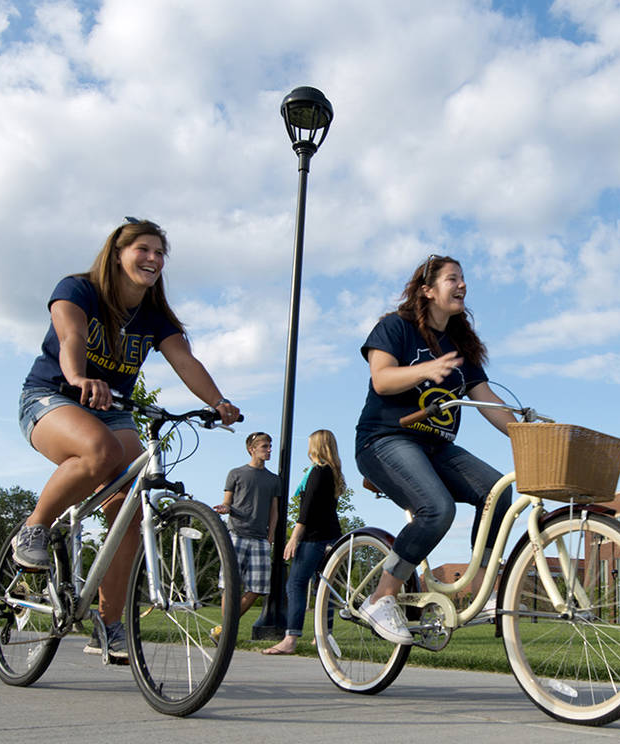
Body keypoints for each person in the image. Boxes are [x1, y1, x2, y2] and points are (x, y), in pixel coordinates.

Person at [8, 217, 241, 666]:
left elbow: (184, 361)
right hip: (51, 396)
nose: (153, 259)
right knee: (101, 453)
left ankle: (109, 624)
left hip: (112, 409)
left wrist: (218, 401)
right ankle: (34, 526)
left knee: (130, 510)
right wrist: (78, 376)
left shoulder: (154, 316)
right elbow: (71, 335)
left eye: (159, 253)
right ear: (118, 253)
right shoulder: (78, 289)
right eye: (143, 250)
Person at [351, 255, 516, 644]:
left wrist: (527, 431)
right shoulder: (396, 327)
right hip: (384, 439)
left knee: (498, 491)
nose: (462, 286)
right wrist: (424, 370)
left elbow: (486, 398)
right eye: (452, 279)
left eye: (463, 279)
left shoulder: (460, 346)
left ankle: (482, 590)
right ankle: (381, 597)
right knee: (437, 509)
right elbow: (382, 379)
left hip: (435, 447)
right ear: (427, 290)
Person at [263, 429, 347, 655]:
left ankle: (290, 639)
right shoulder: (333, 472)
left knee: (296, 585)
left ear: (316, 446)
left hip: (314, 538)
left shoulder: (318, 472)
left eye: (310, 443)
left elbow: (308, 509)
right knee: (325, 588)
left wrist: (294, 537)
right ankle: (324, 636)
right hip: (332, 535)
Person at [215, 432, 283, 622]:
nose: (269, 450)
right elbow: (227, 502)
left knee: (258, 588)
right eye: (265, 447)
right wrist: (224, 508)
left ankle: (226, 627)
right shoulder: (236, 473)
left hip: (260, 540)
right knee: (230, 585)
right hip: (236, 535)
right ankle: (226, 633)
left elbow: (274, 511)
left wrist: (270, 538)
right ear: (252, 449)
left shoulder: (273, 479)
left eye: (270, 446)